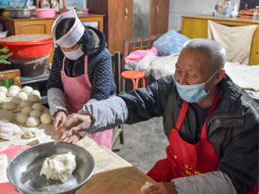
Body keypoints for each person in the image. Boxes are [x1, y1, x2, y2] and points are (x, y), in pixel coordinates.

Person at [55, 39, 259, 194]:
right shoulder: (171, 88)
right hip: (177, 169)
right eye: (178, 70)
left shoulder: (244, 117)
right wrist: (91, 117)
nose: (182, 80)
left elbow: (235, 180)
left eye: (192, 74)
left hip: (218, 185)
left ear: (218, 76)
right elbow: (136, 102)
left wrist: (176, 189)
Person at [46, 10, 116, 149]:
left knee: (94, 154)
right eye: (63, 48)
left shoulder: (100, 57)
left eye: (71, 47)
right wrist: (59, 110)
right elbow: (54, 82)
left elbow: (100, 97)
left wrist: (80, 125)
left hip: (96, 113)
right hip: (70, 110)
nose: (67, 51)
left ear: (83, 41)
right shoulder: (61, 52)